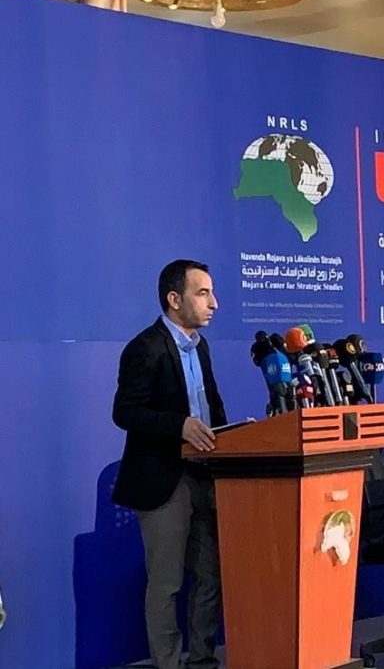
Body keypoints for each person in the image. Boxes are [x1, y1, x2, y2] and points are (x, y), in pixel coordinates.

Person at [112, 259, 227, 669]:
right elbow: (125, 412)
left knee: (210, 576)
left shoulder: (201, 347)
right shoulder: (145, 348)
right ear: (174, 299)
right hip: (163, 480)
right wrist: (178, 425)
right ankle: (168, 664)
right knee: (167, 583)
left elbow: (211, 406)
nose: (214, 303)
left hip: (204, 476)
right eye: (203, 293)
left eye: (212, 292)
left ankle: (202, 659)